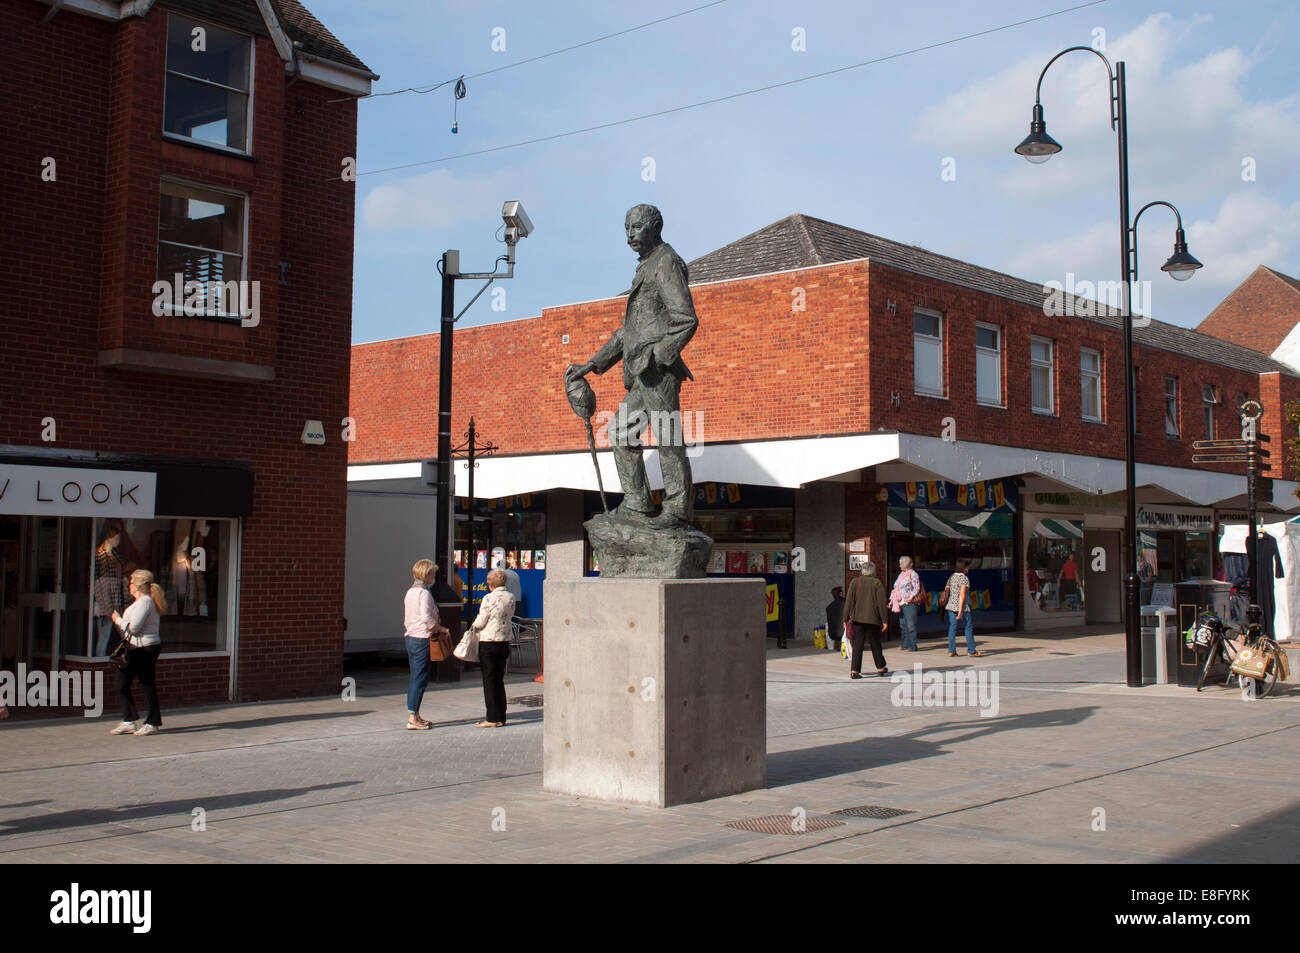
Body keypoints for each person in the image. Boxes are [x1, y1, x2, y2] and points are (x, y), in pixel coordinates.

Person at [565, 204, 699, 528]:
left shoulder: (665, 262)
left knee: (667, 438)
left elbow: (685, 319)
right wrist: (592, 364)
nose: (630, 235)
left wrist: (659, 356)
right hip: (641, 374)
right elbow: (628, 332)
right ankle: (638, 503)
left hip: (658, 372)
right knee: (621, 432)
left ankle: (678, 510)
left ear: (655, 227)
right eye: (626, 229)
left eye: (636, 227)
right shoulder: (646, 267)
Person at [108, 570, 167, 735]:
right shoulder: (138, 602)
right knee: (121, 683)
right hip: (133, 648)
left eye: (131, 583)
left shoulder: (146, 602)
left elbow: (134, 628)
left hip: (146, 648)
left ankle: (153, 722)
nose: (129, 586)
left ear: (138, 586)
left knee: (146, 683)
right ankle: (129, 720)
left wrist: (117, 619)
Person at [403, 559, 450, 730]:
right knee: (419, 678)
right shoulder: (424, 594)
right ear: (427, 574)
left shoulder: (410, 592)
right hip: (422, 638)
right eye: (432, 573)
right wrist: (440, 628)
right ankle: (412, 717)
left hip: (410, 637)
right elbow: (426, 618)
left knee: (417, 677)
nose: (434, 576)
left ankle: (415, 714)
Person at [469, 568, 516, 727]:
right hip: (504, 641)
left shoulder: (488, 598)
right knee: (499, 678)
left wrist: (472, 627)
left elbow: (481, 621)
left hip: (488, 641)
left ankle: (491, 717)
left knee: (489, 680)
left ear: (490, 584)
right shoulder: (511, 597)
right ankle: (501, 715)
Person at [842, 562, 889, 679]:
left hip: (857, 618)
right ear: (873, 571)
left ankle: (855, 671)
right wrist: (885, 620)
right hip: (873, 618)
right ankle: (880, 667)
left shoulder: (855, 582)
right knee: (875, 643)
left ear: (862, 570)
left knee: (858, 644)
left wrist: (845, 618)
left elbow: (848, 602)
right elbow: (881, 604)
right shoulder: (877, 583)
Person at [92, 521, 128, 656]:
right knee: (104, 637)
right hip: (106, 604)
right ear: (109, 538)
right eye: (116, 538)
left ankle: (127, 658)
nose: (118, 541)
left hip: (117, 601)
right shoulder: (100, 556)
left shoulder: (116, 556)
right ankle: (99, 662)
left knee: (126, 635)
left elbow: (121, 578)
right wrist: (105, 605)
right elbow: (97, 583)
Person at [944, 557, 981, 658]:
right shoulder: (964, 578)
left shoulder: (952, 577)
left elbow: (946, 588)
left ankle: (951, 650)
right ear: (964, 568)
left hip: (950, 606)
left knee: (952, 628)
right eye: (967, 567)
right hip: (962, 607)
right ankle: (971, 650)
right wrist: (960, 611)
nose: (968, 569)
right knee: (968, 628)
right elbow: (962, 594)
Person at [889, 556, 922, 651]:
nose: (899, 566)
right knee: (903, 625)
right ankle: (904, 644)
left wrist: (911, 597)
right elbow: (896, 587)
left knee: (911, 625)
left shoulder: (913, 574)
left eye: (901, 564)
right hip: (901, 602)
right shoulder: (901, 574)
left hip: (909, 603)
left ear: (906, 564)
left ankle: (912, 645)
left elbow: (916, 588)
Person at [825, 586, 845, 651]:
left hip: (833, 634)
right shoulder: (846, 603)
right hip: (845, 633)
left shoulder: (829, 607)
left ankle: (838, 645)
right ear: (841, 593)